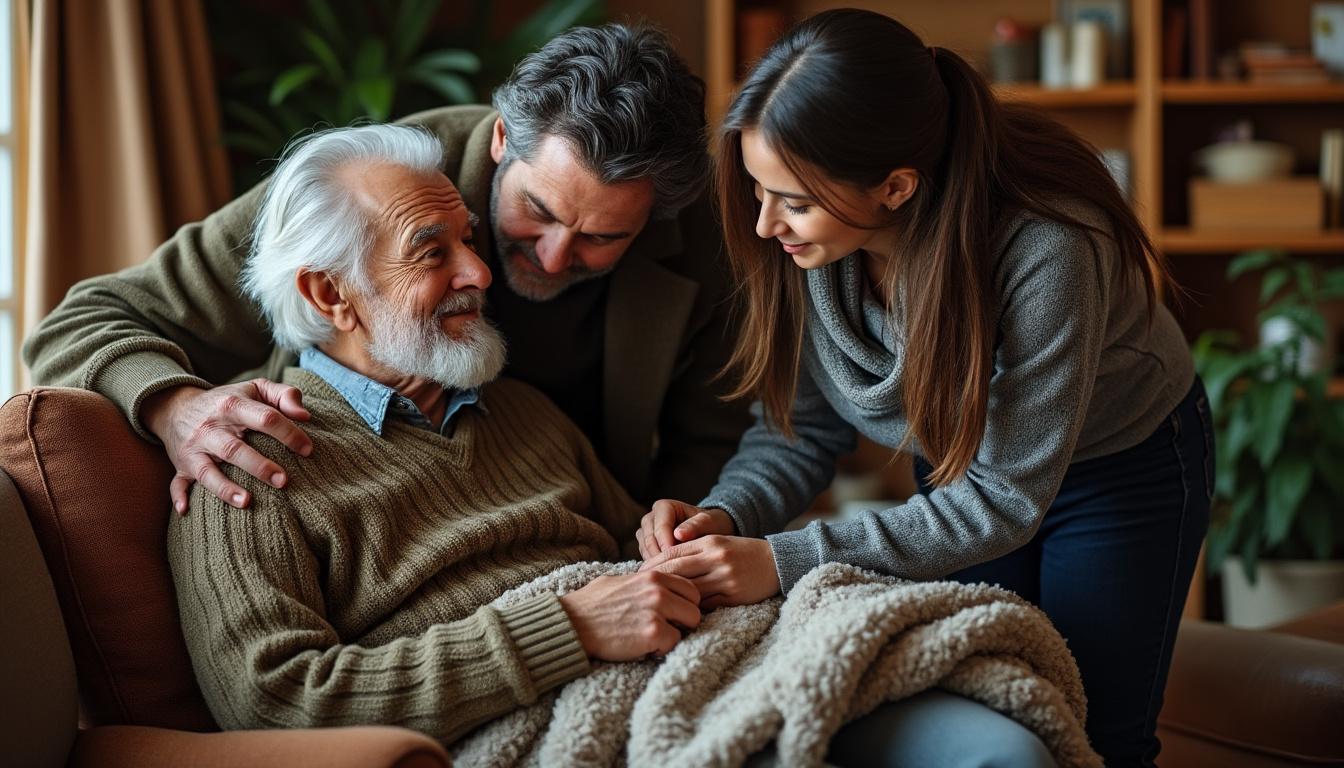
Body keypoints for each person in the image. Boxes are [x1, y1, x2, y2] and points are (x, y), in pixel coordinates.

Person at [637, 9, 1211, 767]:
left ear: (896, 187)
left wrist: (778, 559)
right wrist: (726, 513)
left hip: (1120, 464)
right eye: (756, 187)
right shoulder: (810, 243)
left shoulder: (1050, 249)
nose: (766, 222)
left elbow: (1003, 501)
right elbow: (800, 430)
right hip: (964, 464)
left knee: (1098, 734)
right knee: (978, 697)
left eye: (794, 200)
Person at [23, 23, 748, 513]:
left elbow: (709, 444)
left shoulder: (705, 237)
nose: (555, 257)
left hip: (573, 526)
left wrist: (673, 536)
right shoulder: (375, 186)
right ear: (501, 139)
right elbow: (80, 321)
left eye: (602, 237)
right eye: (541, 212)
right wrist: (170, 406)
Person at [168, 123, 704, 742]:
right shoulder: (241, 463)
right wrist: (566, 629)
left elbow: (644, 558)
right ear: (329, 292)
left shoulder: (526, 412)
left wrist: (671, 533)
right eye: (431, 252)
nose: (480, 272)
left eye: (469, 240)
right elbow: (272, 701)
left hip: (674, 677)